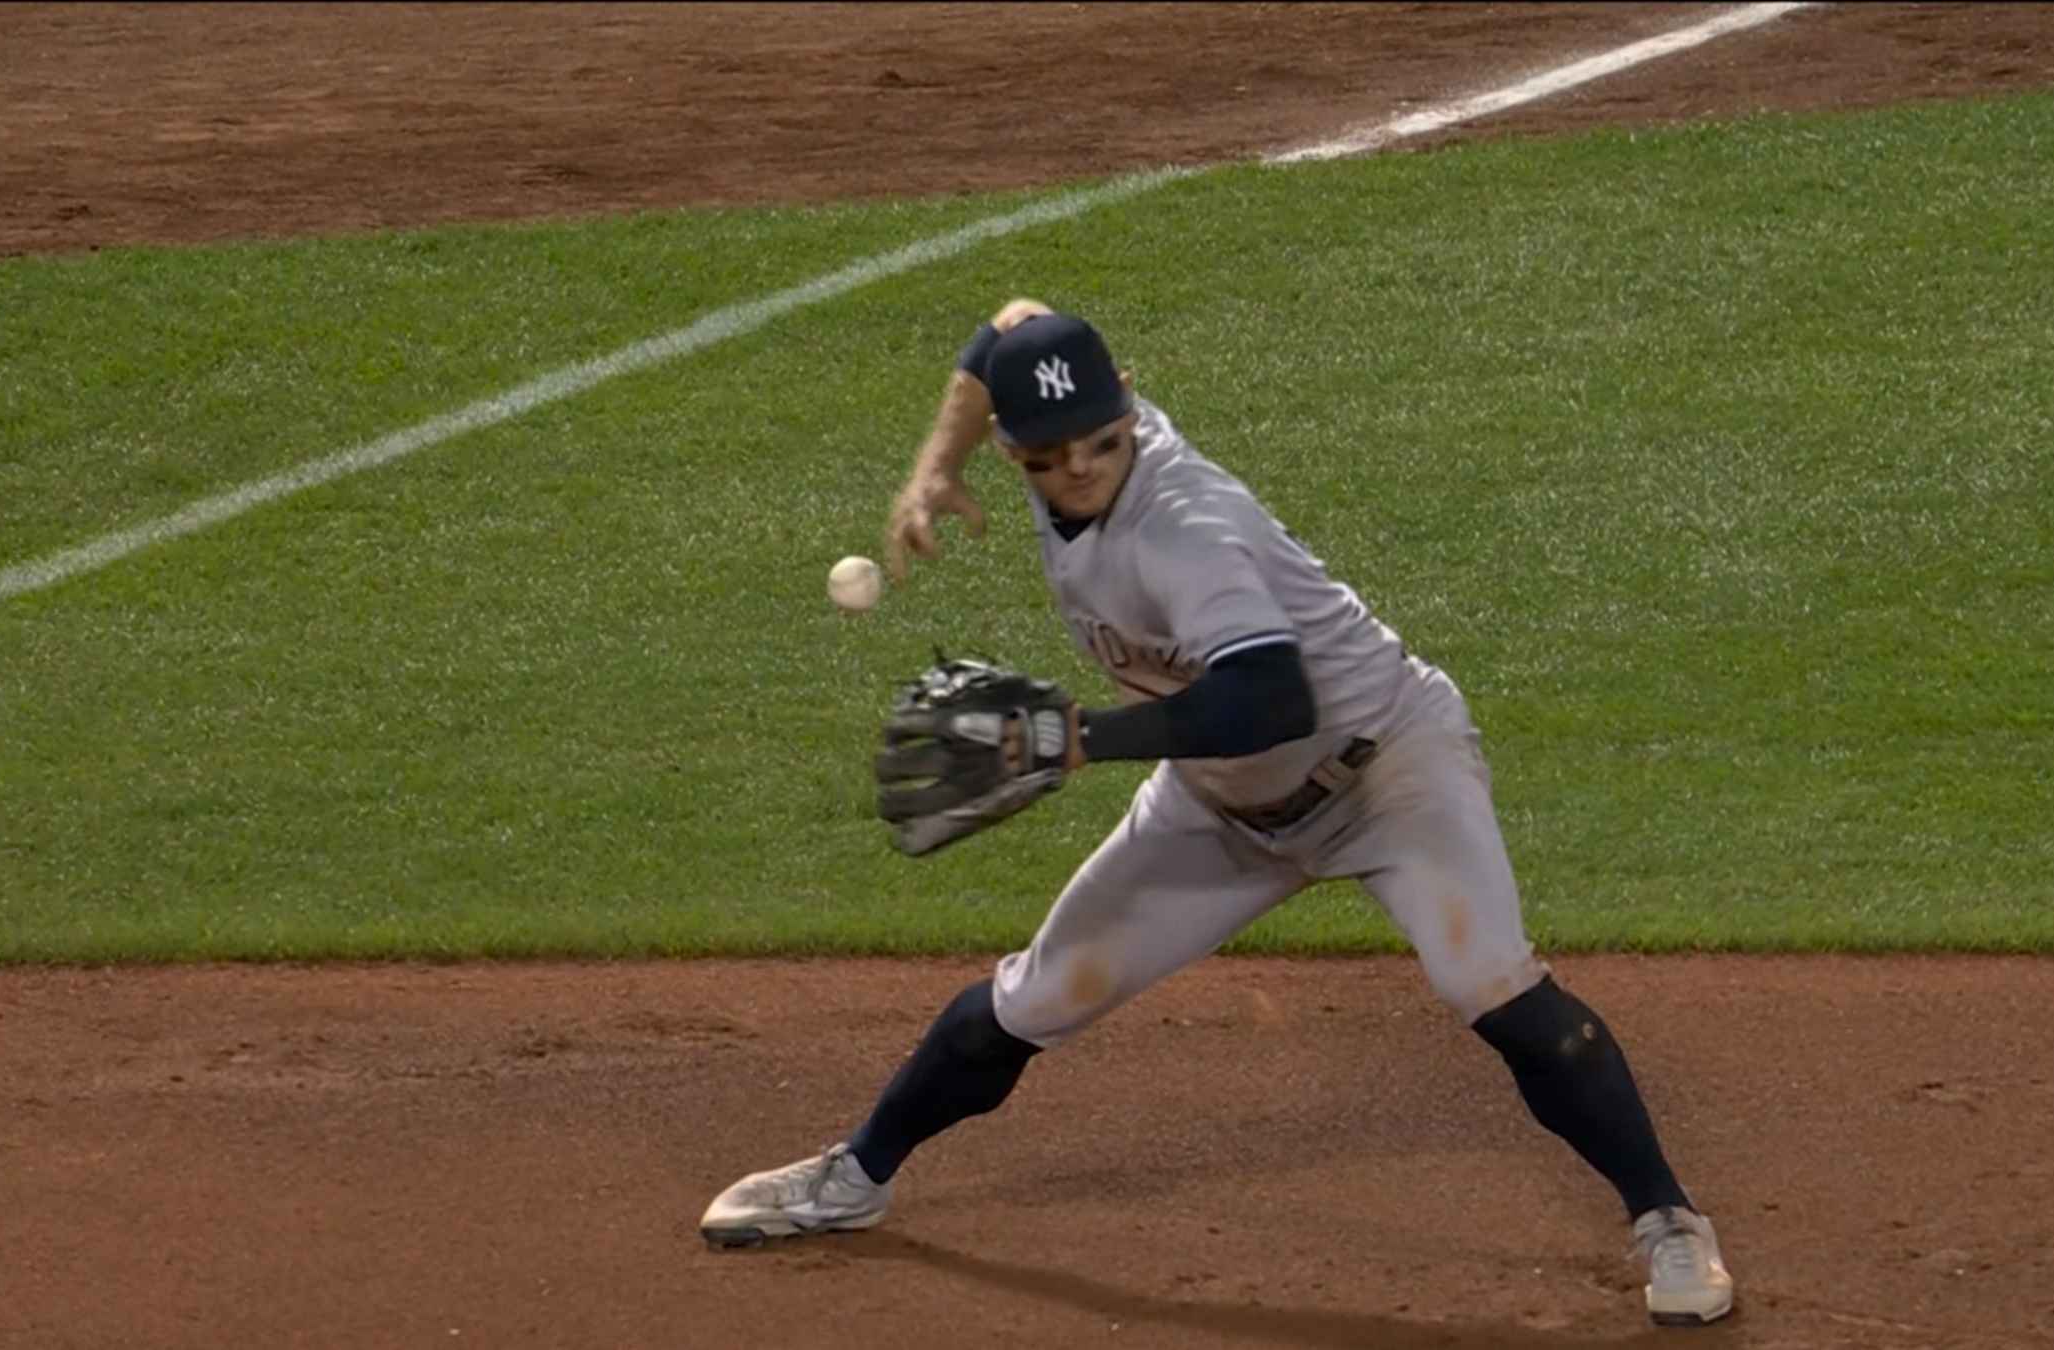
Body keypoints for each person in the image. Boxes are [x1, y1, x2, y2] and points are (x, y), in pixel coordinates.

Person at [698, 299, 1735, 1327]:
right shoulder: (1055, 449)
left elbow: (1271, 699)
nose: (1080, 472)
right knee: (1036, 997)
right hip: (1221, 802)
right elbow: (1007, 324)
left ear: (1132, 405)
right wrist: (935, 464)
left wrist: (1082, 738)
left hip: (1386, 770)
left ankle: (1669, 1218)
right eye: (1045, 458)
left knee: (1493, 987)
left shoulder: (1185, 527)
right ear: (1015, 447)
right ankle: (855, 1176)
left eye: (1102, 444)